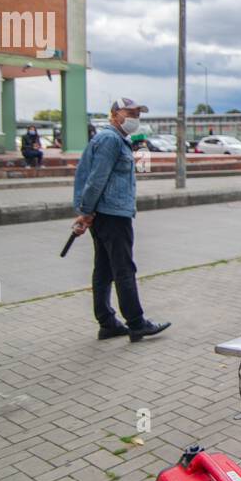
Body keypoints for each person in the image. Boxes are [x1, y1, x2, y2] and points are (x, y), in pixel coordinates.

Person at [72, 97, 171, 342]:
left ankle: (107, 323)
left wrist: (88, 211)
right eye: (131, 112)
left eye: (138, 113)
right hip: (112, 214)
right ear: (115, 114)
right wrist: (85, 212)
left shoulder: (116, 139)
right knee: (124, 268)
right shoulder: (110, 140)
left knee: (104, 269)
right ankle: (136, 323)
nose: (135, 118)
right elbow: (96, 178)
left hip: (108, 212)